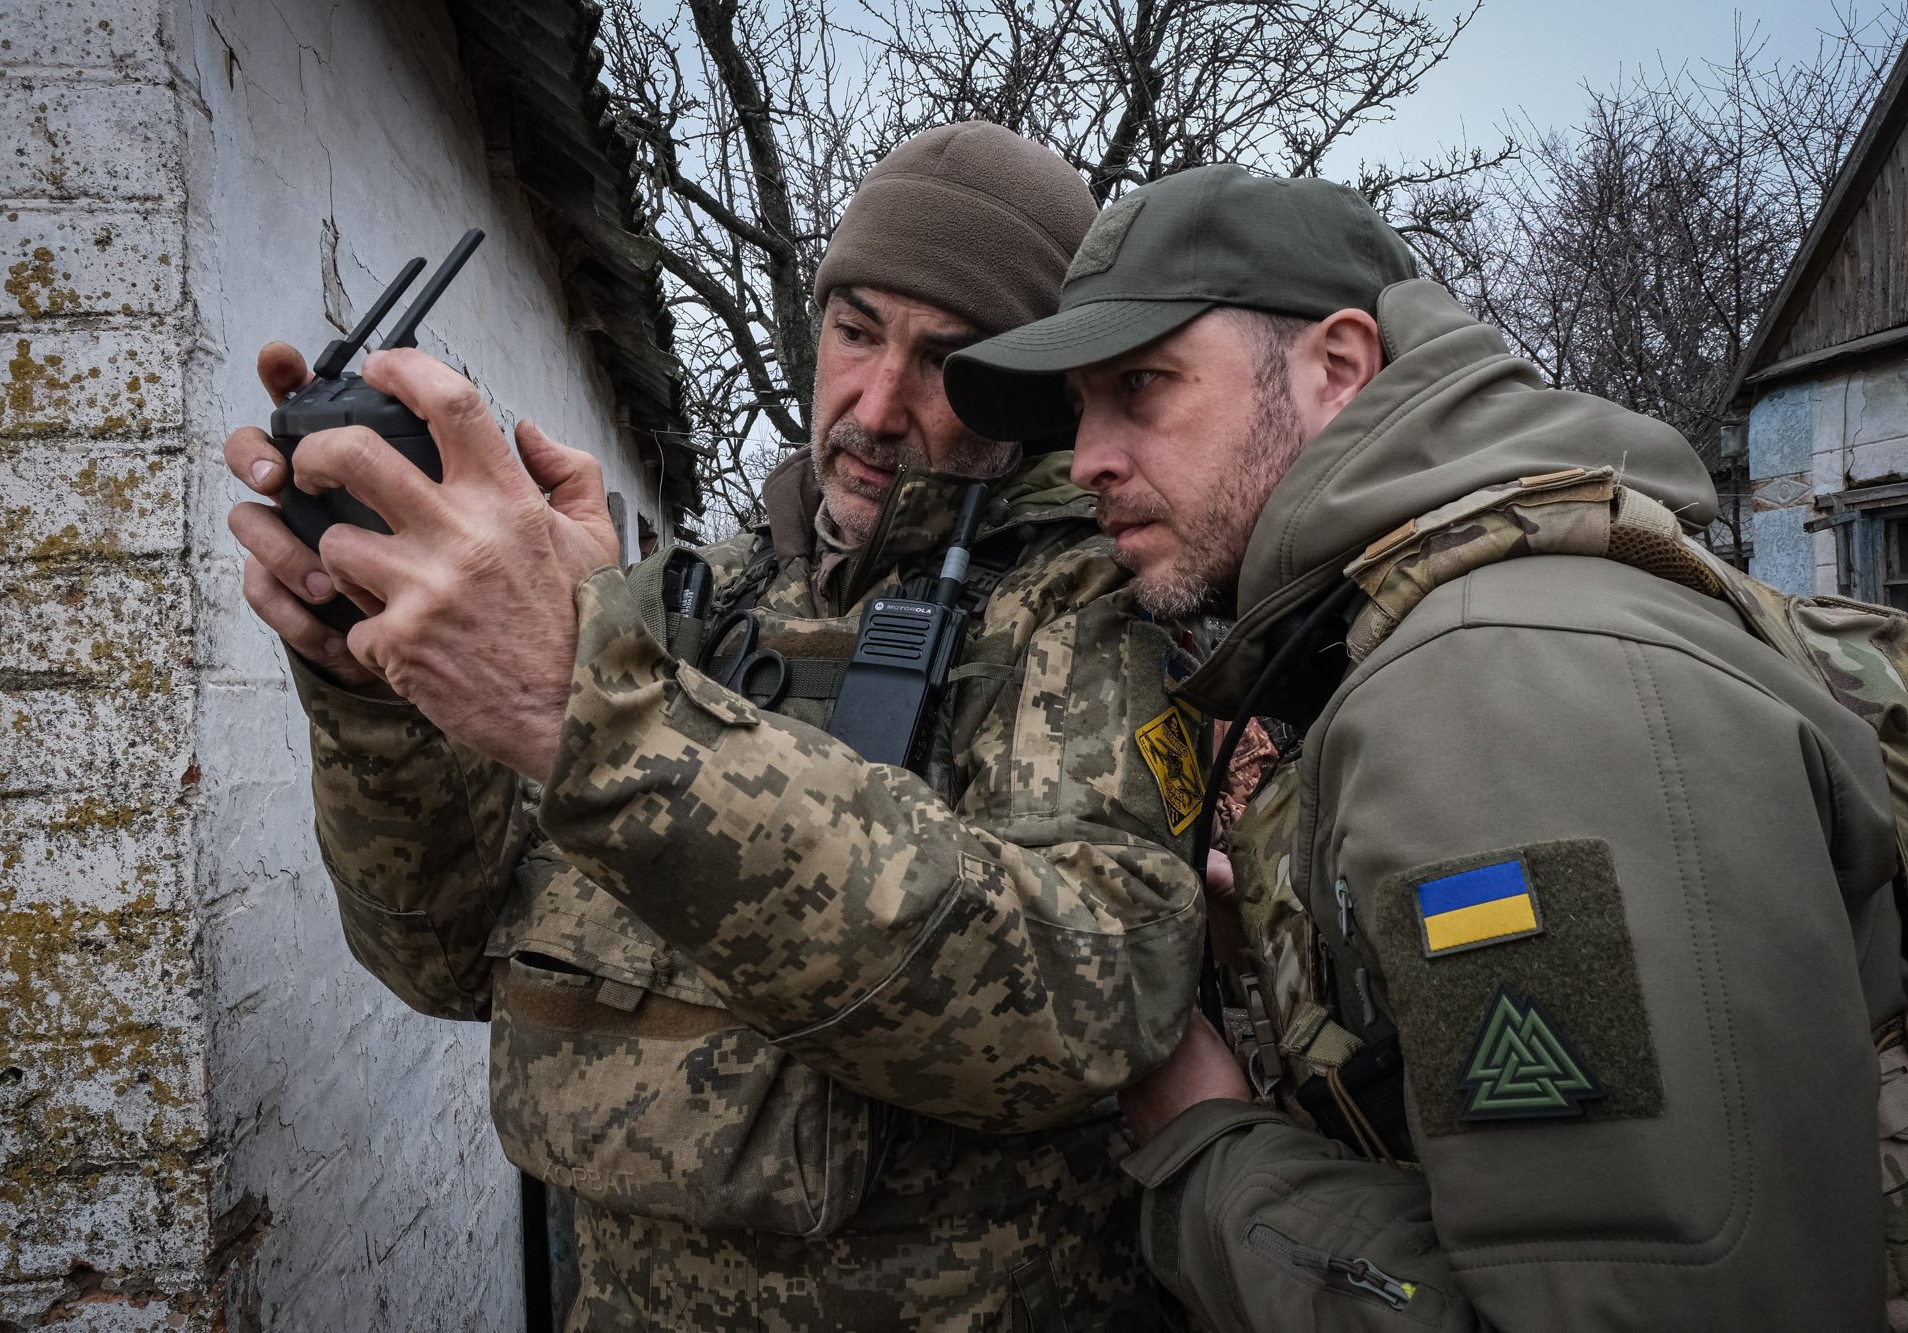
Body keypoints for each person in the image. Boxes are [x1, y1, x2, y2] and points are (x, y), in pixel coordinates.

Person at [222, 122, 1210, 1329]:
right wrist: (376, 690)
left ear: (1027, 397)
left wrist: (596, 720)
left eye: (949, 361)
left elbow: (1093, 997)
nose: (878, 406)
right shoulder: (696, 593)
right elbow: (438, 953)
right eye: (855, 333)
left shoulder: (1081, 607)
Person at [940, 166, 1907, 1330]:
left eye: (1141, 386)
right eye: (1080, 406)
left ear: (1337, 370)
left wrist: (1207, 1150)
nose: (1088, 454)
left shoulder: (1498, 680)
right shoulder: (1444, 621)